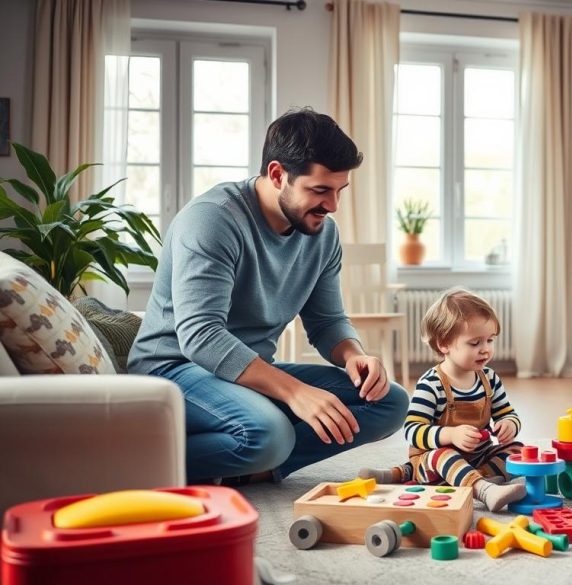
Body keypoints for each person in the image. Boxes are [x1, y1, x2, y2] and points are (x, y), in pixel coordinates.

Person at [128, 108, 409, 484]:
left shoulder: (322, 234)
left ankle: (251, 463)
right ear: (278, 175)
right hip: (175, 369)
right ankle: (137, 462)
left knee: (390, 401)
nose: (333, 206)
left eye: (339, 191)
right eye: (320, 190)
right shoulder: (212, 220)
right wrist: (295, 393)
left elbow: (326, 322)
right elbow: (200, 336)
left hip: (249, 373)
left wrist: (354, 355)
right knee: (269, 432)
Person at [358, 288, 526, 512]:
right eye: (475, 343)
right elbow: (412, 430)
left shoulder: (489, 379)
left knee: (519, 451)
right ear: (444, 344)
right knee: (444, 455)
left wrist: (510, 425)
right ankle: (484, 490)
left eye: (490, 340)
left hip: (477, 458)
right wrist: (451, 435)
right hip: (434, 460)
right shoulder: (432, 383)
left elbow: (507, 412)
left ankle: (474, 480)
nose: (485, 350)